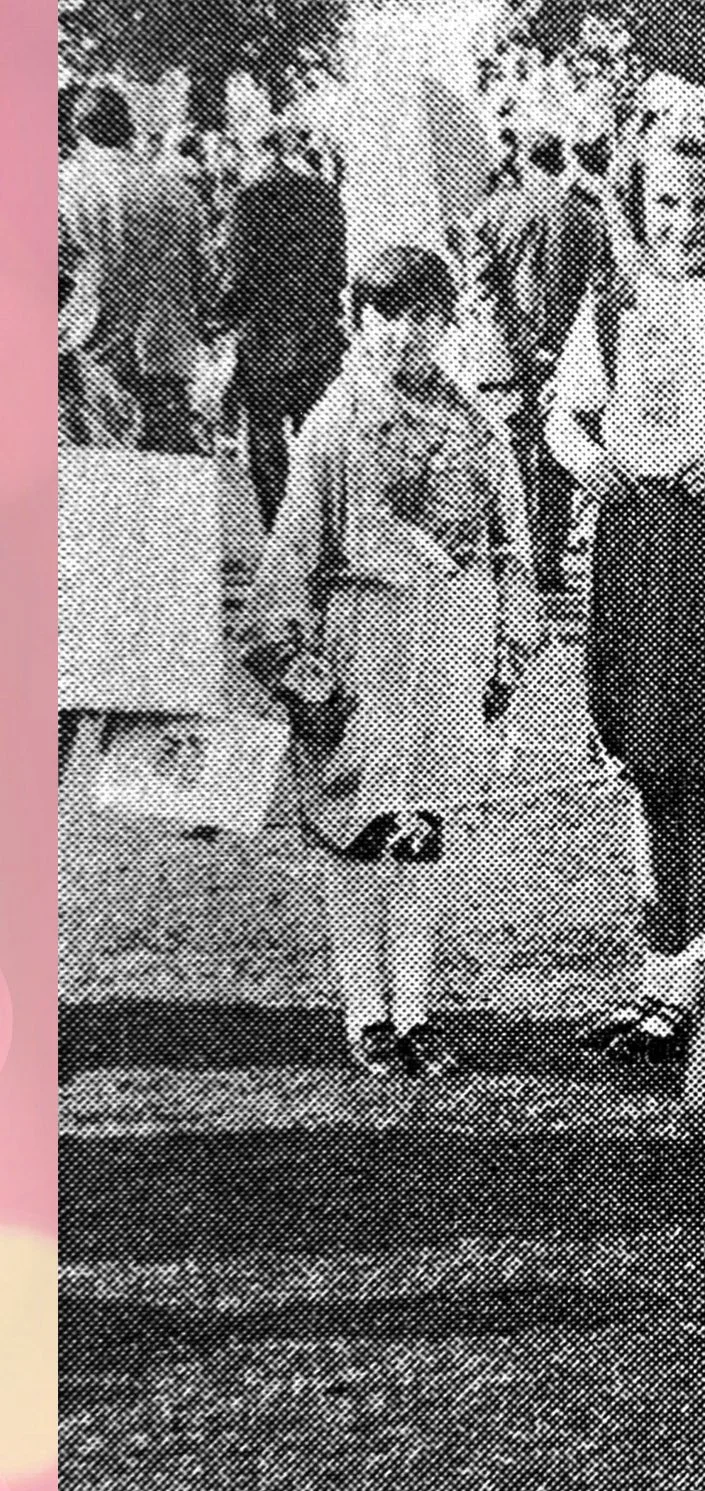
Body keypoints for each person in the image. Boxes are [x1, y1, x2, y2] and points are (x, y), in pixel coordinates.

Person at [236, 245, 546, 1078]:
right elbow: (291, 559)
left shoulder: (476, 427)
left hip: (451, 640)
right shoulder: (335, 429)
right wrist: (302, 672)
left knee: (422, 832)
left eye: (425, 317)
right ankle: (365, 1012)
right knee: (357, 833)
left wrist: (509, 646)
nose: (408, 335)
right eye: (389, 315)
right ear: (357, 319)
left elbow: (513, 541)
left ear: (448, 324)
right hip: (363, 646)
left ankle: (413, 1010)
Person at [546, 77, 705, 1095]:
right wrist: (584, 461)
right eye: (664, 205)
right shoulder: (613, 302)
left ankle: (696, 979)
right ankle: (658, 974)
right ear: (637, 206)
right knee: (644, 760)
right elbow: (567, 417)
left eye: (700, 205)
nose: (683, 224)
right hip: (637, 540)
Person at [466, 103, 610, 590]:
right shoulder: (589, 216)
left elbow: (483, 291)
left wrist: (517, 343)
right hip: (574, 353)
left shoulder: (493, 213)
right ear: (559, 160)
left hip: (509, 357)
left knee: (511, 455)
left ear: (523, 162)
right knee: (557, 454)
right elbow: (602, 288)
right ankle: (548, 566)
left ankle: (524, 566)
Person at [57, 84, 210, 452]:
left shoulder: (63, 189)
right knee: (164, 486)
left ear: (78, 131)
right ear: (128, 129)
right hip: (170, 359)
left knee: (96, 488)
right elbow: (202, 279)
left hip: (93, 363)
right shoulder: (179, 191)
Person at [216, 120, 349, 528]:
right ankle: (326, 530)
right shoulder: (326, 196)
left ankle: (280, 530)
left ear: (258, 153)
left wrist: (221, 319)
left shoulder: (247, 200)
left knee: (267, 438)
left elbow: (238, 278)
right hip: (319, 338)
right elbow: (338, 272)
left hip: (265, 339)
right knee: (321, 440)